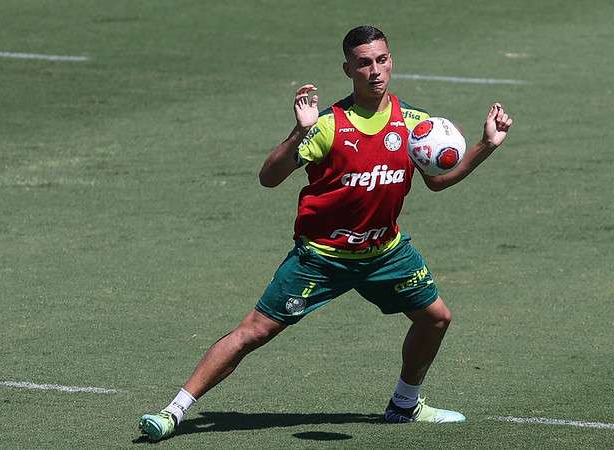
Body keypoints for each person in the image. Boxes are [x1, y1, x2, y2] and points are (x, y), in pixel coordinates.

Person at [138, 25, 513, 442]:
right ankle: (173, 412)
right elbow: (269, 177)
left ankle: (405, 405)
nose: (376, 71)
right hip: (321, 257)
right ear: (348, 68)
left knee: (436, 319)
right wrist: (299, 131)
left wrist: (486, 145)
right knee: (253, 332)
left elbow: (437, 180)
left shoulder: (414, 125)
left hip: (384, 253)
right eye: (365, 63)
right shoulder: (328, 126)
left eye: (382, 60)